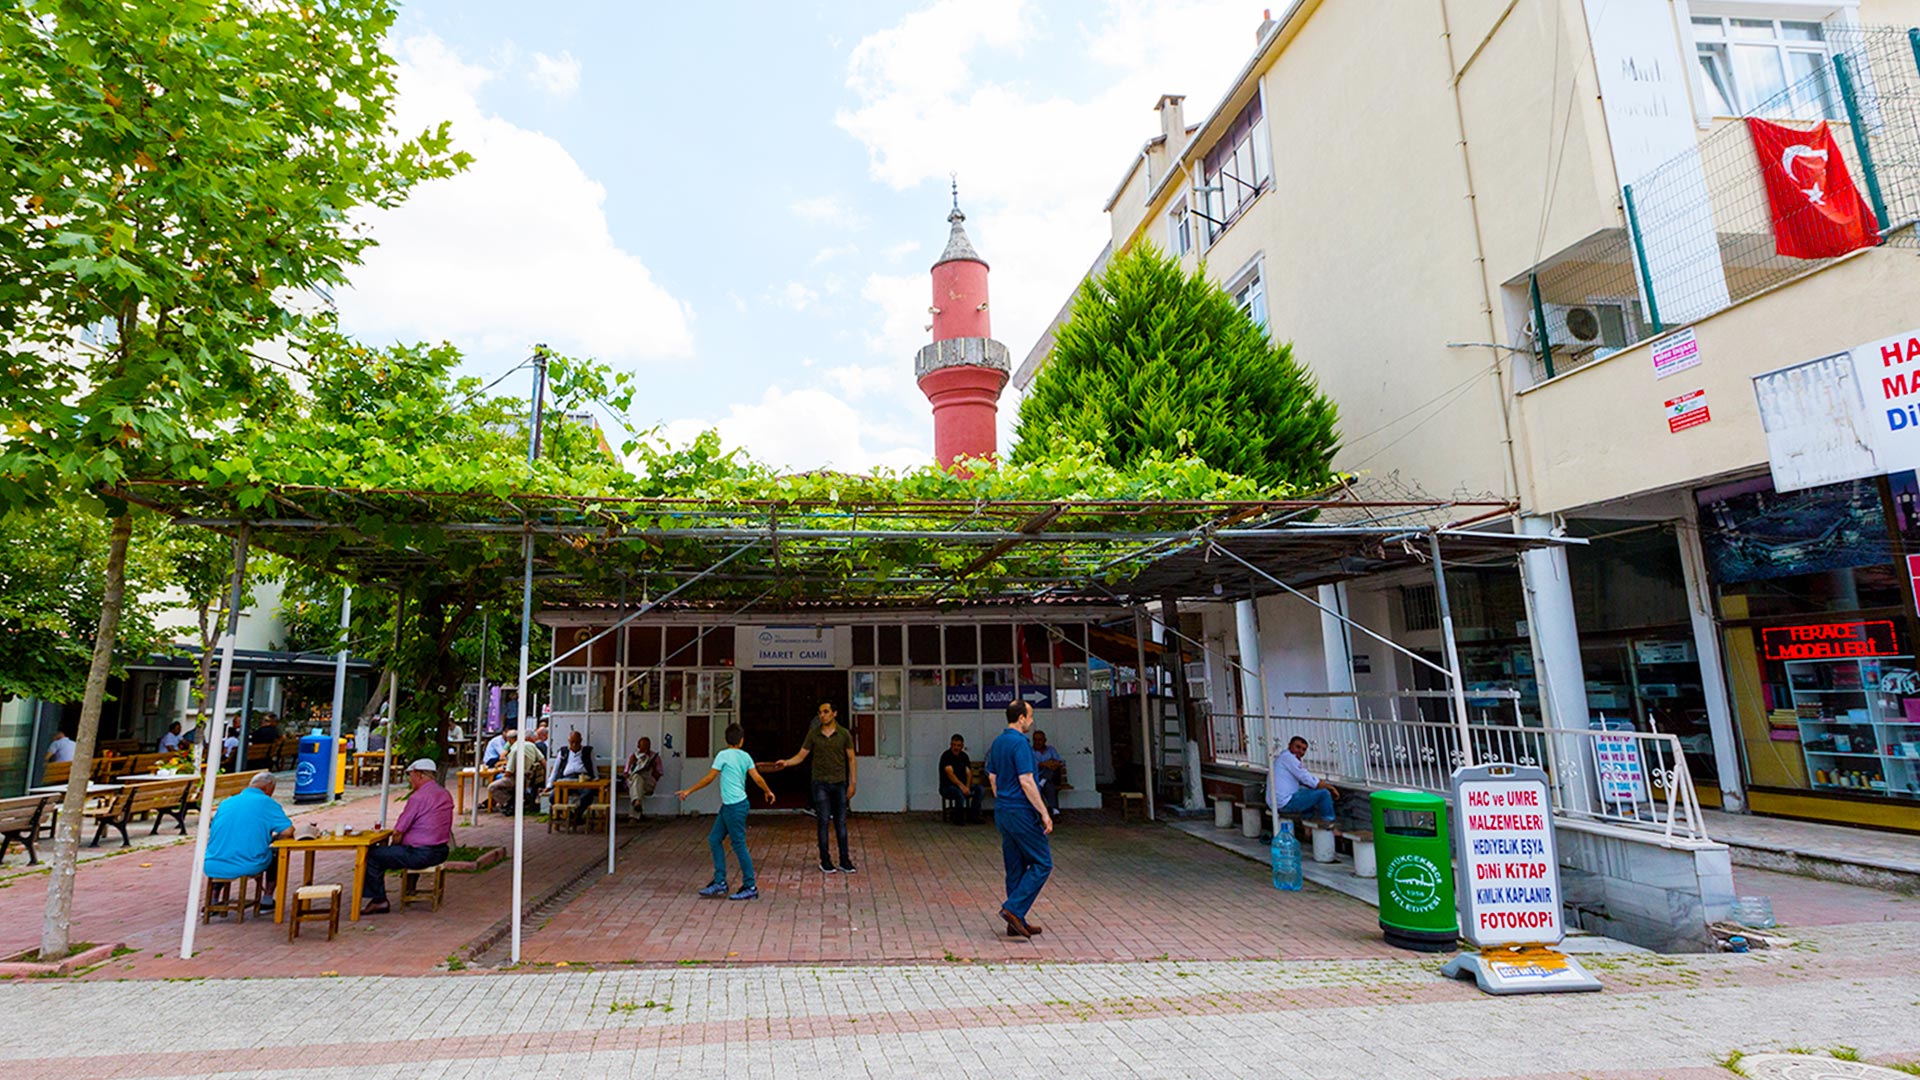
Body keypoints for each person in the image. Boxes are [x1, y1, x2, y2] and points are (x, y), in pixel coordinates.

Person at [676, 723, 775, 901]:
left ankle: (750, 885)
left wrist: (689, 791)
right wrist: (768, 791)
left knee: (738, 845)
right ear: (742, 740)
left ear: (726, 739)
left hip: (733, 806)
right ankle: (720, 881)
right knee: (714, 839)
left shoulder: (722, 755)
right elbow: (757, 778)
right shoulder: (745, 756)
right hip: (734, 805)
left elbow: (709, 778)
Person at [987, 700, 1052, 939]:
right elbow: (1026, 780)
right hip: (1021, 812)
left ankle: (1016, 922)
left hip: (1003, 810)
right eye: (1030, 716)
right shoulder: (1020, 744)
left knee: (1015, 866)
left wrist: (1003, 799)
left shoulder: (998, 742)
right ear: (1021, 718)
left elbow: (992, 778)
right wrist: (1044, 812)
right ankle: (1013, 909)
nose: (1032, 721)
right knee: (1042, 863)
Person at [770, 702, 857, 874]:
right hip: (820, 783)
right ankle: (825, 861)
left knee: (841, 823)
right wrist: (786, 762)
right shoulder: (814, 734)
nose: (822, 715)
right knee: (823, 821)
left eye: (826, 712)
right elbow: (801, 756)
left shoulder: (844, 734)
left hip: (839, 782)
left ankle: (845, 860)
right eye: (820, 713)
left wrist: (852, 783)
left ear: (834, 713)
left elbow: (851, 759)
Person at [361, 760, 454, 915]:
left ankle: (379, 900)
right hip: (441, 851)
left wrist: (393, 845)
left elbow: (398, 831)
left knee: (373, 856)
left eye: (410, 776)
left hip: (421, 853)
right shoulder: (444, 793)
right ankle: (409, 889)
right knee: (394, 853)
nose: (410, 780)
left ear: (419, 774)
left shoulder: (418, 797)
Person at [202, 772, 293, 914]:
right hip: (248, 863)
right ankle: (267, 899)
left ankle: (213, 900)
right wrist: (273, 838)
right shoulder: (266, 802)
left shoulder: (227, 802)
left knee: (225, 849)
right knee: (277, 852)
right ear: (269, 788)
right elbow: (288, 831)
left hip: (212, 863)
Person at [1269, 735, 1339, 825]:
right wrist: (1331, 788)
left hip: (1276, 802)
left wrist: (1317, 783)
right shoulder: (1290, 758)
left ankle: (1307, 824)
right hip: (1283, 803)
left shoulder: (1283, 757)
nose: (1300, 751)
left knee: (1308, 791)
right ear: (1289, 745)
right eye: (1297, 747)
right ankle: (1329, 823)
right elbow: (1308, 779)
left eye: (1303, 749)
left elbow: (1306, 779)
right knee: (1323, 793)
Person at [544, 730, 598, 820]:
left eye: (577, 742)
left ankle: (577, 814)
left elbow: (593, 766)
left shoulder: (588, 751)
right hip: (566, 779)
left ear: (581, 741)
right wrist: (549, 784)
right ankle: (568, 815)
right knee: (553, 797)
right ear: (569, 741)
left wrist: (596, 778)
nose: (574, 744)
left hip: (583, 779)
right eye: (572, 742)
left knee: (588, 795)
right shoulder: (563, 752)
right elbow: (555, 769)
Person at [489, 731, 546, 813]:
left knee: (493, 786)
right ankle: (518, 800)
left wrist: (503, 773)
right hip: (532, 778)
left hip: (518, 779)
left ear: (511, 740)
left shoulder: (515, 750)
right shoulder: (531, 745)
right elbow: (543, 761)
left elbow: (509, 772)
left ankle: (510, 803)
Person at [939, 734, 984, 824]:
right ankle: (958, 818)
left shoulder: (964, 756)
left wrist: (967, 787)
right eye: (954, 745)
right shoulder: (946, 756)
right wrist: (962, 787)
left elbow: (969, 772)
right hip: (947, 787)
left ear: (962, 746)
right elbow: (950, 773)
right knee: (958, 793)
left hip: (963, 785)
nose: (956, 748)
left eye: (958, 745)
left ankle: (973, 816)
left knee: (980, 789)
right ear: (951, 745)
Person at [624, 736, 664, 819]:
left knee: (636, 787)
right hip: (634, 782)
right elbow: (626, 774)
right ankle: (636, 807)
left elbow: (658, 775)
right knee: (637, 780)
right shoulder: (633, 756)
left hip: (648, 784)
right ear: (638, 747)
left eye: (647, 746)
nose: (645, 748)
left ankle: (635, 806)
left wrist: (653, 767)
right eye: (643, 746)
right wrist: (633, 764)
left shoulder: (654, 757)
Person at [1031, 729, 1065, 816]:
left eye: (1040, 740)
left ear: (1045, 740)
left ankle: (1043, 781)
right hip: (1038, 777)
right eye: (1035, 740)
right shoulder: (1030, 751)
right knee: (1049, 786)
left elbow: (1061, 761)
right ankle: (1055, 811)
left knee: (1051, 768)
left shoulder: (1051, 749)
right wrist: (1044, 764)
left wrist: (1053, 764)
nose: (1038, 742)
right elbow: (1031, 764)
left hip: (1053, 776)